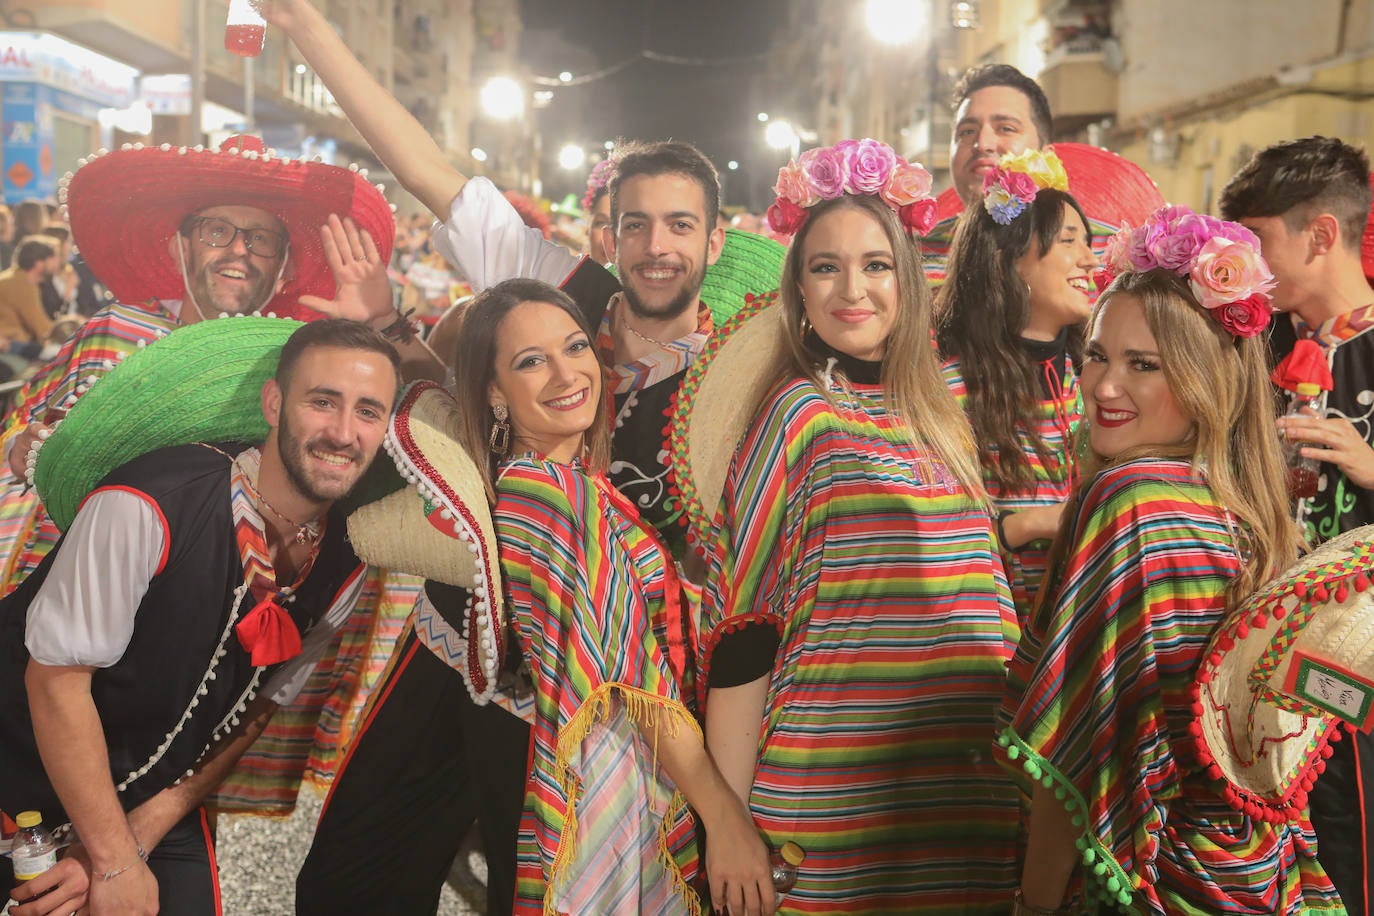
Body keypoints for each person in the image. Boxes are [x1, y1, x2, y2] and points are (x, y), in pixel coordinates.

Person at [698, 140, 1020, 913]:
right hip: (831, 806)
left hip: (964, 800)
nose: (853, 290)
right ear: (797, 288)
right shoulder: (796, 413)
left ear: (906, 279)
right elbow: (744, 635)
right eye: (825, 266)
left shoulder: (942, 409)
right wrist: (729, 824)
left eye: (876, 265)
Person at [1000, 208, 1341, 914]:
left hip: (1147, 872)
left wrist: (1032, 903)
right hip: (1256, 871)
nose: (1102, 386)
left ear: (1203, 378)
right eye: (1096, 353)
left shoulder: (1130, 503)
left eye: (1143, 365)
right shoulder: (1246, 507)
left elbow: (1076, 755)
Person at [0, 318, 401, 916]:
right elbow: (56, 683)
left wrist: (131, 842)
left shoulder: (346, 556)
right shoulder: (147, 502)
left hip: (147, 807)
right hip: (17, 786)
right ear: (273, 402)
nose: (343, 432)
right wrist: (113, 861)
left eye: (368, 412)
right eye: (322, 402)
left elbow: (256, 707)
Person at [446, 277, 771, 914]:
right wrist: (726, 820)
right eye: (530, 361)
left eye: (573, 347)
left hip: (617, 775)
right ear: (493, 392)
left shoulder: (561, 483)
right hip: (614, 790)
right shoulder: (551, 495)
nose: (566, 373)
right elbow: (631, 684)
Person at [1220, 135, 1374, 915]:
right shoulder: (1257, 344)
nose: (1247, 264)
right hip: (1261, 648)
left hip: (1357, 655)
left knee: (1350, 831)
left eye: (1258, 243)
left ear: (1320, 234)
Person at [937, 148, 1095, 620]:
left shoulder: (1096, 377)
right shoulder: (951, 389)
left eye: (1088, 242)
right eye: (1069, 241)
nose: (1090, 259)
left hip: (1081, 621)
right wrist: (1031, 525)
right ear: (1010, 260)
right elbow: (927, 535)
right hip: (994, 630)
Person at [922, 64, 1053, 287]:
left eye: (1006, 128)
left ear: (1045, 154)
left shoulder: (1097, 254)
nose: (982, 144)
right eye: (967, 131)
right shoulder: (910, 258)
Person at [0, 236, 58, 358]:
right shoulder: (21, 283)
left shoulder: (17, 278)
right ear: (39, 263)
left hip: (13, 342)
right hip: (9, 344)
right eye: (52, 257)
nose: (56, 262)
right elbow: (40, 327)